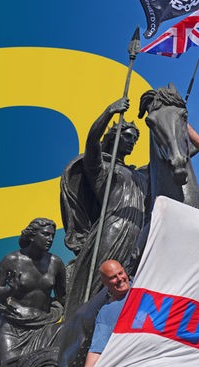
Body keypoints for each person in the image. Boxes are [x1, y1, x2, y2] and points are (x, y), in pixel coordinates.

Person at [60, 97, 149, 319]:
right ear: (113, 137)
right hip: (111, 231)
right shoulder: (102, 169)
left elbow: (166, 164)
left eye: (135, 140)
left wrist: (198, 138)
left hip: (137, 232)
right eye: (128, 136)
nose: (132, 142)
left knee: (130, 287)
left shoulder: (138, 174)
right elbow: (91, 142)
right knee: (99, 287)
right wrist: (109, 111)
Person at [70, 260, 180, 367]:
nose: (120, 279)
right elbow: (97, 348)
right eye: (113, 278)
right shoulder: (106, 312)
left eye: (121, 273)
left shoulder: (147, 286)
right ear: (105, 283)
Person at [0, 218, 66, 367]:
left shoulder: (56, 263)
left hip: (43, 326)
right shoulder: (11, 260)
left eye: (52, 236)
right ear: (32, 236)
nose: (50, 239)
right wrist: (9, 290)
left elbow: (63, 297)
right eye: (45, 234)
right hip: (11, 325)